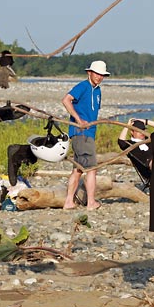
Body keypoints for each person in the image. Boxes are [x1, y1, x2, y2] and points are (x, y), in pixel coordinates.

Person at [62, 60, 110, 210]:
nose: (99, 77)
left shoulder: (98, 91)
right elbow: (66, 100)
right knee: (91, 168)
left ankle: (69, 201)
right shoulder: (83, 86)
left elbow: (92, 110)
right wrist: (78, 119)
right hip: (81, 132)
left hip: (90, 132)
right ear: (90, 73)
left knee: (78, 169)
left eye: (102, 75)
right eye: (97, 74)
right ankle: (91, 202)